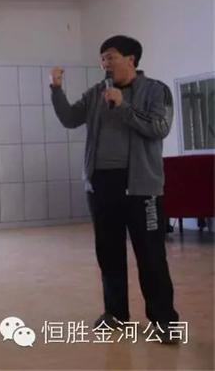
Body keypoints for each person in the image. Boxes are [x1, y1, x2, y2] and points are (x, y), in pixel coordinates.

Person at [50, 35, 179, 343]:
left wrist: (122, 106)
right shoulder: (97, 92)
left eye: (111, 56)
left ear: (131, 59)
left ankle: (163, 321)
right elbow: (70, 118)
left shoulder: (155, 90)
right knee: (108, 253)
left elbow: (159, 128)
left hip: (141, 186)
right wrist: (56, 89)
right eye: (102, 58)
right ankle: (115, 314)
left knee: (151, 255)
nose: (105, 63)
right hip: (101, 185)